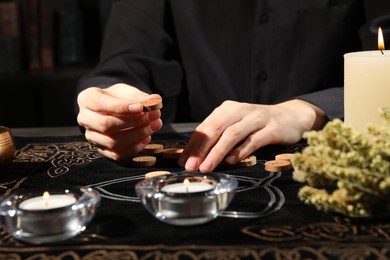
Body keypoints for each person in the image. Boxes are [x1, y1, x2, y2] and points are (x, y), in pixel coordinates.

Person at [77, 0, 366, 172]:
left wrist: (307, 111)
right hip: (197, 165)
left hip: (334, 150)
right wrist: (111, 100)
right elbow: (124, 61)